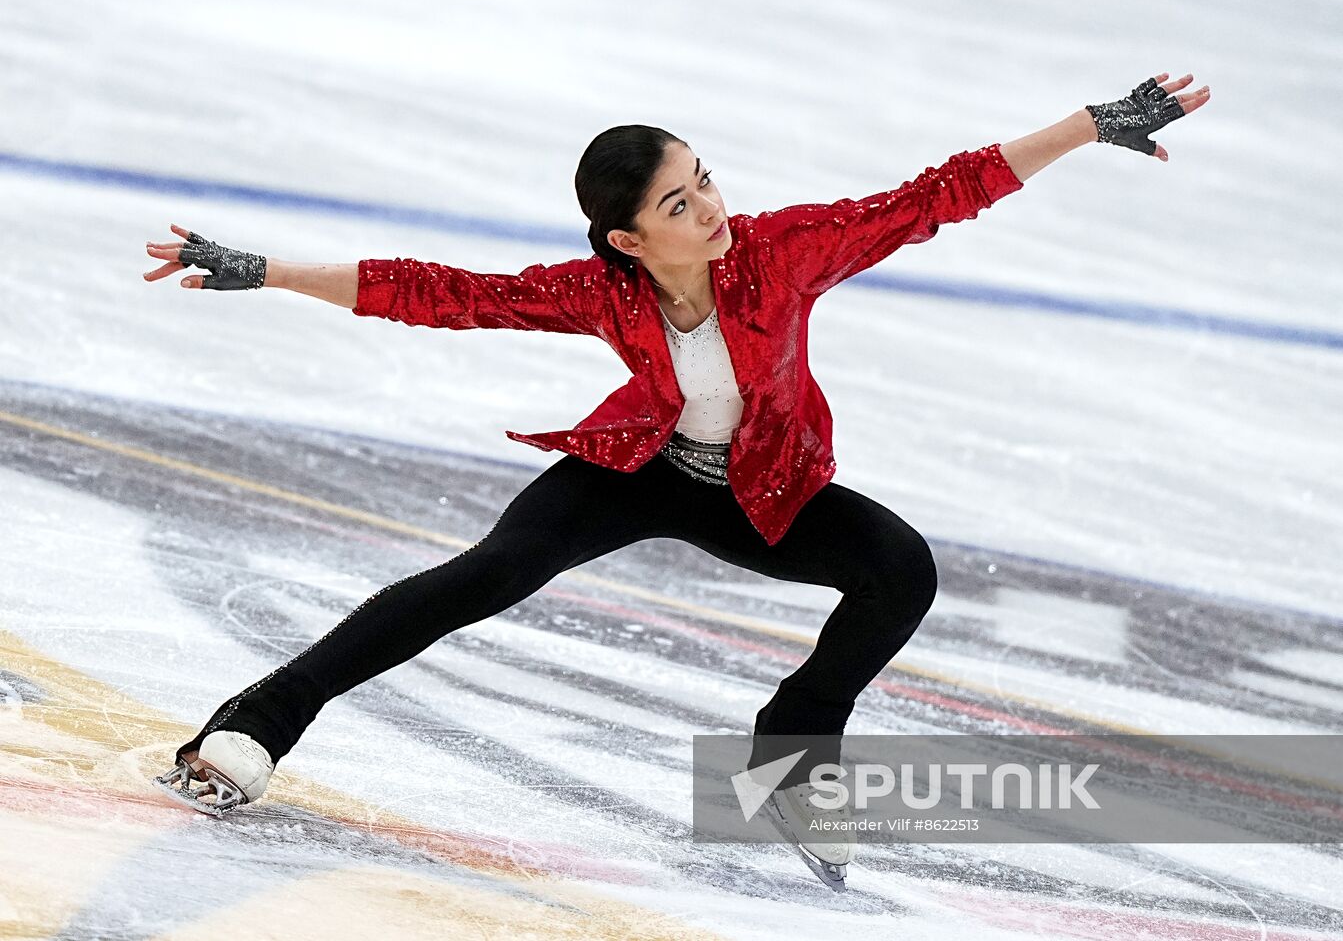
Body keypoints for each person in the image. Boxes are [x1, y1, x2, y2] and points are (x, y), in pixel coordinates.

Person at [143, 73, 1209, 890]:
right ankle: (256, 725)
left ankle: (790, 752)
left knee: (898, 568)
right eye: (677, 200)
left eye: (704, 180)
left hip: (757, 488)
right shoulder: (596, 292)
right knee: (486, 574)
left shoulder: (785, 251)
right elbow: (440, 292)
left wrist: (1086, 125)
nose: (709, 207)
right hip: (633, 471)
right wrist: (264, 269)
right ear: (627, 238)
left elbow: (933, 195)